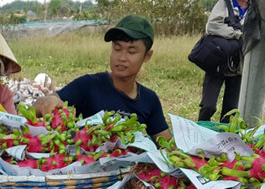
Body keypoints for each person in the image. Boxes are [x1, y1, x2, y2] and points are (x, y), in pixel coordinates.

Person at [33, 15, 171, 141]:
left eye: (131, 51)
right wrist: (48, 101)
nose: (122, 58)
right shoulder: (88, 85)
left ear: (147, 56)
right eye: (117, 49)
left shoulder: (149, 99)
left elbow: (167, 144)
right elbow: (42, 104)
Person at [198, 0, 255, 122]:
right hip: (217, 62)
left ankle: (224, 136)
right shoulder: (224, 4)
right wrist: (237, 34)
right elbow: (212, 27)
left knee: (230, 111)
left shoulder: (254, 9)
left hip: (238, 66)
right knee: (208, 106)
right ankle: (200, 131)